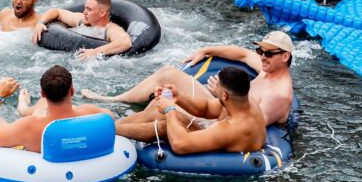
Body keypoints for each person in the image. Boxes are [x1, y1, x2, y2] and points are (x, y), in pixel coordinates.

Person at [83, 30, 295, 129]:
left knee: (163, 107)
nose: (261, 56)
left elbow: (246, 124)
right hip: (219, 104)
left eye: (268, 53)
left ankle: (111, 128)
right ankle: (116, 100)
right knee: (168, 73)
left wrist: (222, 96)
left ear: (285, 57)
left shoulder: (278, 95)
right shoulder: (267, 69)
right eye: (261, 50)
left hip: (218, 121)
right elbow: (242, 54)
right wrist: (205, 50)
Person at [114, 66, 267, 155]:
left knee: (165, 125)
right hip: (216, 136)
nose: (214, 87)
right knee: (156, 110)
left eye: (217, 85)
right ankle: (113, 124)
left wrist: (170, 109)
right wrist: (178, 96)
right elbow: (207, 109)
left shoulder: (233, 127)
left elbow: (180, 145)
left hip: (216, 151)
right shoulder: (244, 102)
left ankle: (110, 129)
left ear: (225, 94)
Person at [31, 0, 132, 60]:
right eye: (85, 8)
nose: (84, 12)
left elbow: (125, 42)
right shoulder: (81, 21)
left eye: (89, 9)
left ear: (102, 13)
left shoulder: (110, 29)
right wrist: (40, 23)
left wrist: (94, 52)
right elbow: (57, 11)